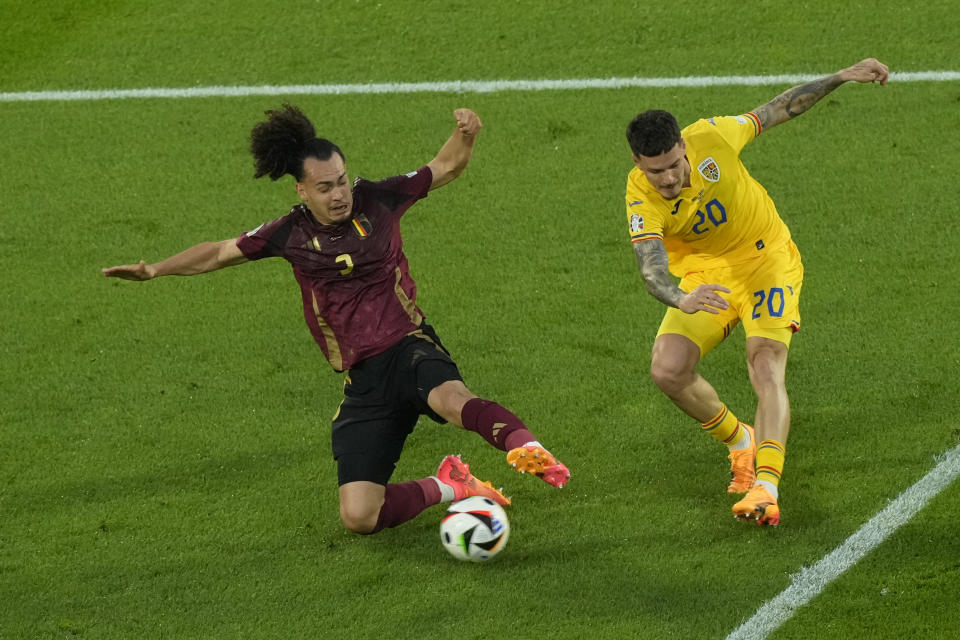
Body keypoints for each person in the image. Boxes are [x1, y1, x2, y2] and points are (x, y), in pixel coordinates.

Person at [103, 105, 569, 534]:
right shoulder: (289, 233)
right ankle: (451, 484)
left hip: (410, 347)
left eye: (342, 180)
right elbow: (217, 254)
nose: (340, 194)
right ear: (302, 190)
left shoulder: (379, 199)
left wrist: (465, 133)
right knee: (360, 516)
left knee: (452, 398)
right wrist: (156, 269)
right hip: (364, 382)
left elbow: (444, 167)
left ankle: (524, 447)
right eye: (325, 187)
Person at [623, 58, 889, 526]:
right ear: (637, 163)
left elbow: (778, 109)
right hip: (708, 280)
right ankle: (739, 441)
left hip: (768, 262)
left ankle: (766, 485)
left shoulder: (714, 137)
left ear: (683, 145)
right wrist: (681, 298)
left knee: (765, 364)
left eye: (670, 165)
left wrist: (840, 77)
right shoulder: (640, 197)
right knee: (668, 370)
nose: (665, 179)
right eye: (653, 171)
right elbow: (651, 269)